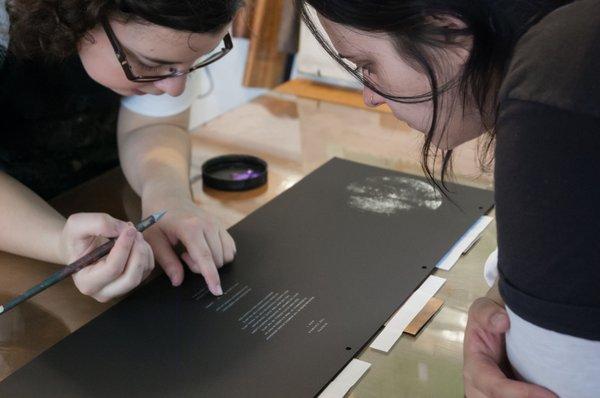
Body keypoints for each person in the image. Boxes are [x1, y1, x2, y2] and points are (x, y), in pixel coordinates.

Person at [296, 0, 600, 396]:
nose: (369, 95)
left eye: (367, 65)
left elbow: (557, 385)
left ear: (447, 31)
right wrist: (505, 294)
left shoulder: (556, 96)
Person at [0, 0, 242, 302]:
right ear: (79, 13)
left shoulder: (169, 41)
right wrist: (61, 243)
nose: (175, 88)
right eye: (151, 64)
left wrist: (167, 194)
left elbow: (151, 125)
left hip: (101, 195)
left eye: (191, 64)